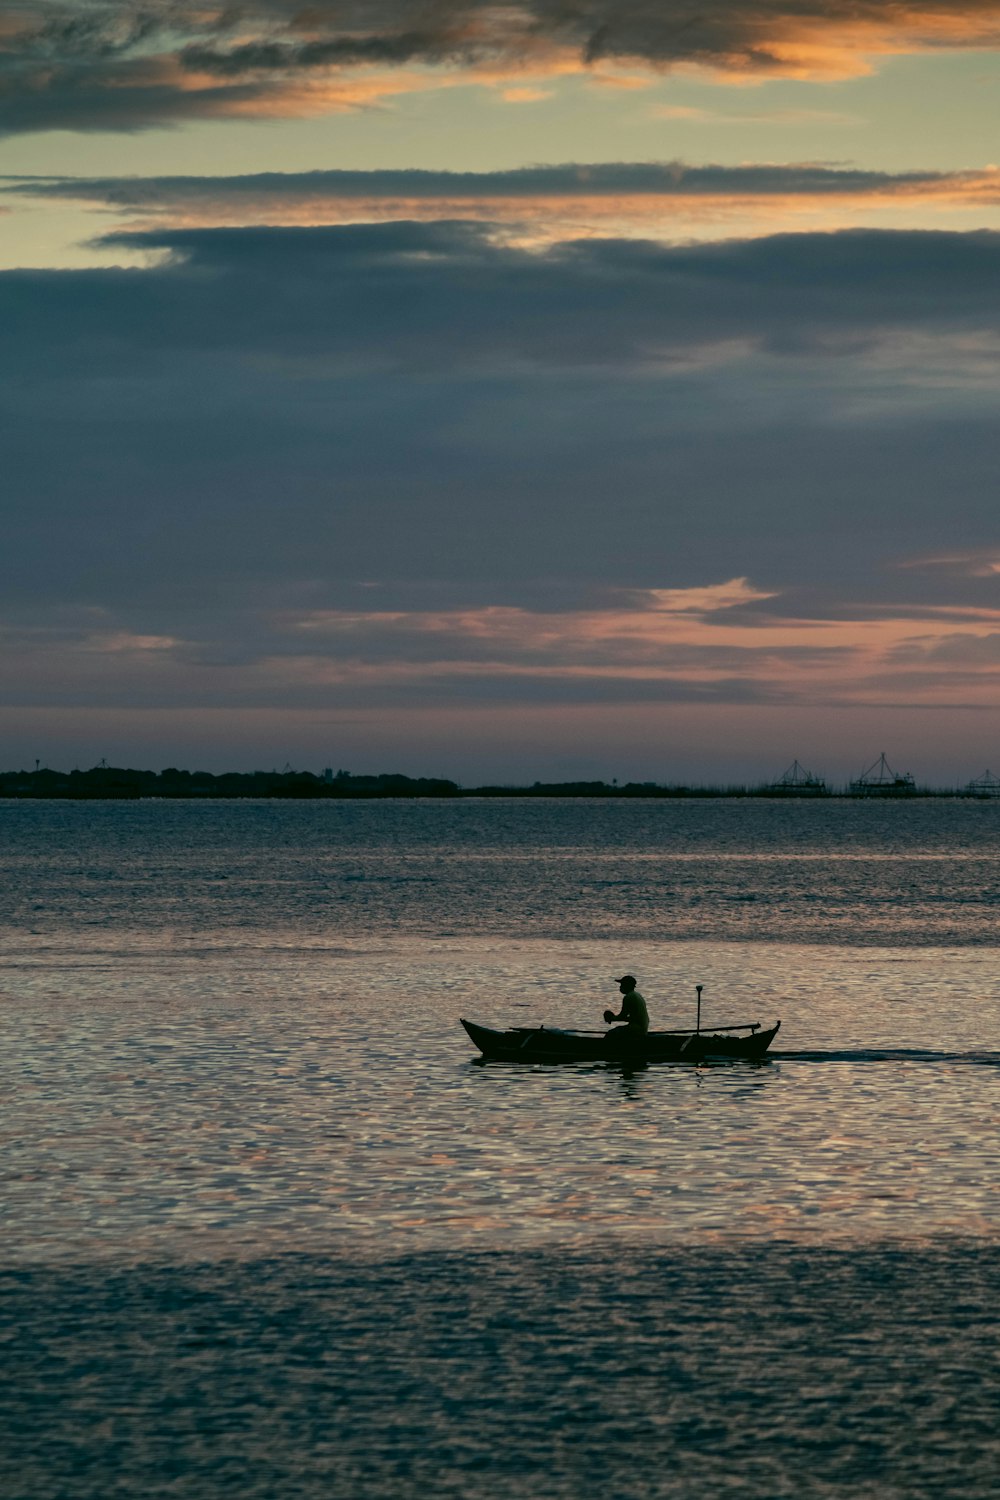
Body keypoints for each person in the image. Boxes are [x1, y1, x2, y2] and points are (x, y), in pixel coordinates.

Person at [603, 975, 649, 1041]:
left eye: (622, 985)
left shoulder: (628, 997)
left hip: (637, 1029)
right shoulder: (637, 995)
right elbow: (633, 1018)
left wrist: (612, 1018)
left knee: (611, 1033)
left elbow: (622, 1016)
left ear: (627, 986)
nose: (620, 987)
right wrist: (614, 1018)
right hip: (643, 1028)